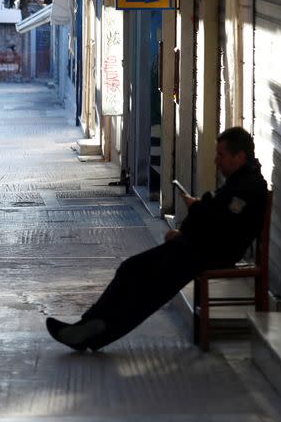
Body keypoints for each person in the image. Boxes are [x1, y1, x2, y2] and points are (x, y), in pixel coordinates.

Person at [46, 127, 268, 351]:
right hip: (198, 247)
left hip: (208, 254)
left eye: (221, 155)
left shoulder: (248, 187)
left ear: (239, 157)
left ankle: (94, 331)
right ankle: (90, 326)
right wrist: (189, 226)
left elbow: (222, 225)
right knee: (132, 271)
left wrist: (197, 210)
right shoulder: (240, 181)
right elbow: (216, 218)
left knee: (146, 288)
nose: (216, 161)